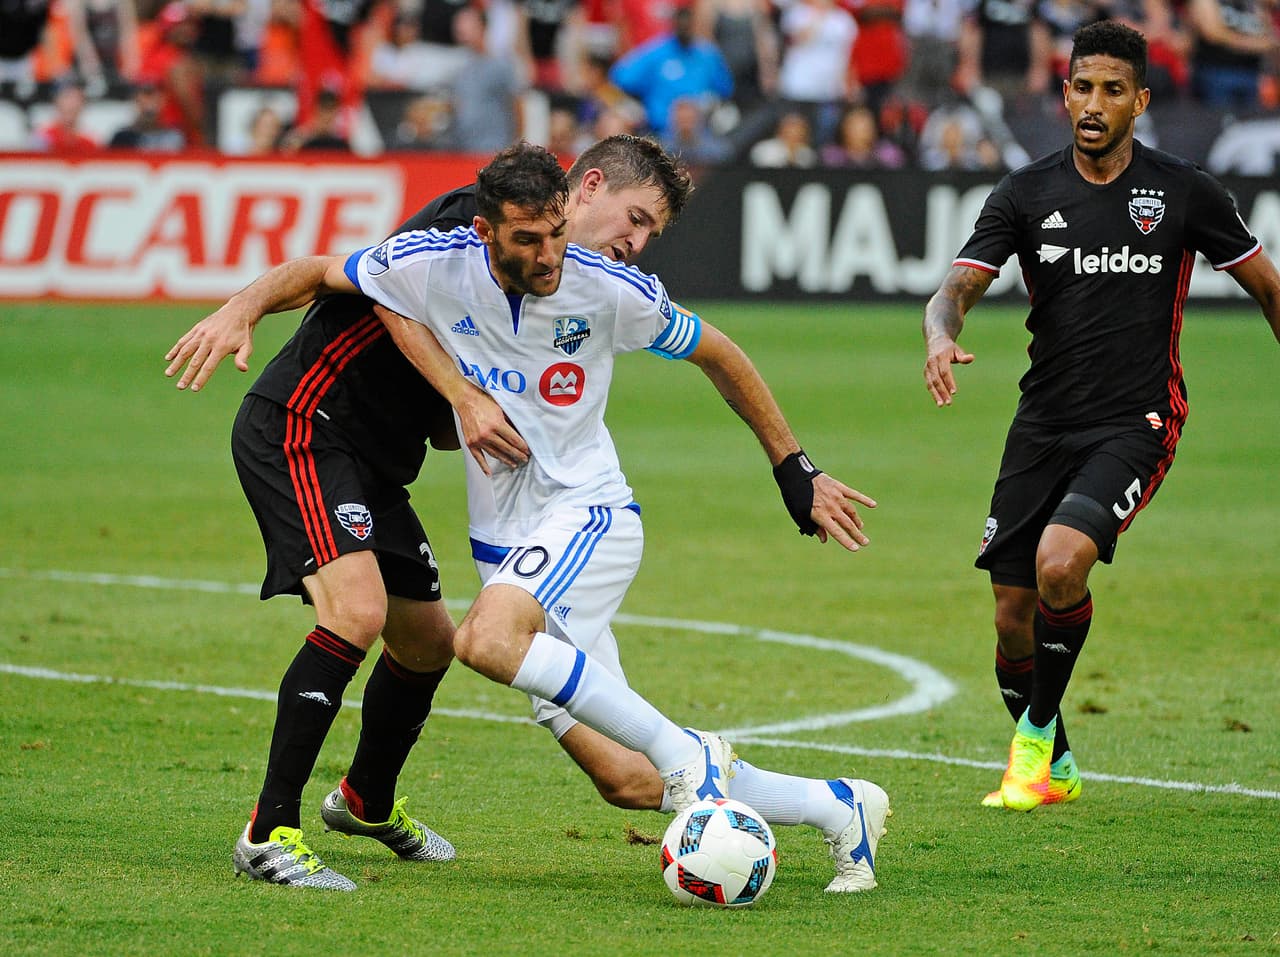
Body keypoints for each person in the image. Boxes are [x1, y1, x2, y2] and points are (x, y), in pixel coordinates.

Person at [166, 136, 891, 893]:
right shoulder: (455, 241)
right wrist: (247, 310)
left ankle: (295, 823)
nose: (637, 243)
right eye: (635, 218)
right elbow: (360, 284)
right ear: (586, 190)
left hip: (580, 515)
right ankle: (840, 807)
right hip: (324, 433)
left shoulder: (611, 288)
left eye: (652, 232)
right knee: (625, 777)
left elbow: (716, 349)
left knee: (466, 637)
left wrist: (792, 466)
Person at [921, 21, 1280, 813]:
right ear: (1064, 94)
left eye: (1113, 90)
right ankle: (1060, 763)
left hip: (1138, 419)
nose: (1094, 103)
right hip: (1041, 422)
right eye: (1082, 86)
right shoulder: (1025, 192)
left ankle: (1035, 739)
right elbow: (953, 289)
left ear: (1140, 101)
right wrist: (940, 337)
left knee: (1059, 564)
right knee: (1013, 619)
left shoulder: (1184, 191)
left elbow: (1267, 285)